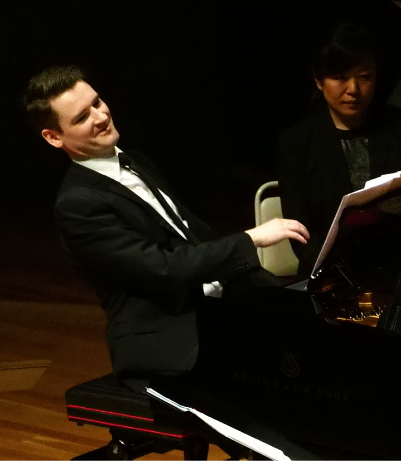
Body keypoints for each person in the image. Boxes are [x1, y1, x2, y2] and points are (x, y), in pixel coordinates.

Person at [22, 65, 310, 389]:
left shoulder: (135, 161)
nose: (101, 116)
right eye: (81, 117)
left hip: (214, 306)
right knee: (280, 379)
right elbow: (165, 270)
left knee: (314, 332)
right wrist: (251, 238)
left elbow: (193, 236)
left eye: (97, 102)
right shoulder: (77, 204)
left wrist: (278, 294)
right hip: (168, 333)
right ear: (53, 136)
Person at [276, 22, 401, 277]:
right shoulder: (297, 143)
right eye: (339, 78)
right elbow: (301, 232)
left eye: (364, 77)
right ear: (318, 81)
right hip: (329, 274)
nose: (353, 90)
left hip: (398, 265)